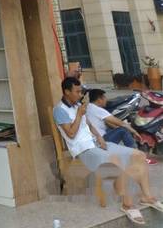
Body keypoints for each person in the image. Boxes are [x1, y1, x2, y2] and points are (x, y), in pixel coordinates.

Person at [54, 77, 163, 224]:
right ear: (67, 92)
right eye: (77, 92)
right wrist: (79, 114)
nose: (80, 95)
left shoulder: (77, 105)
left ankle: (147, 197)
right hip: (83, 150)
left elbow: (89, 125)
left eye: (81, 92)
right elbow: (71, 134)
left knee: (138, 155)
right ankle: (127, 204)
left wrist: (100, 137)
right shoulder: (59, 110)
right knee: (116, 161)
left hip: (96, 143)